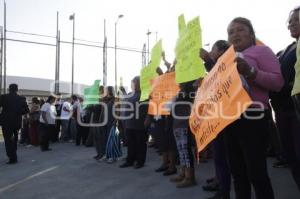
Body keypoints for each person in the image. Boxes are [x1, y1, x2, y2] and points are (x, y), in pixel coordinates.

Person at [225, 17, 284, 199]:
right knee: (238, 174)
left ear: (251, 34)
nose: (235, 34)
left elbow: (278, 82)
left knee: (256, 174)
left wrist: (250, 72)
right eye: (231, 32)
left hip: (253, 116)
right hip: (229, 118)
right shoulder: (225, 61)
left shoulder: (261, 51)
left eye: (240, 29)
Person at [270, 6, 300, 191]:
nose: (292, 24)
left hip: (295, 109)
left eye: (297, 19)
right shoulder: (287, 49)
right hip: (282, 109)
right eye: (290, 21)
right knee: (291, 156)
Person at [200, 40, 231, 199]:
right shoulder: (215, 65)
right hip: (215, 117)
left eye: (213, 49)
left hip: (224, 118)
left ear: (221, 52)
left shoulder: (227, 64)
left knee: (222, 155)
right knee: (219, 154)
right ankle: (220, 180)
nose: (210, 51)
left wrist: (207, 60)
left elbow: (220, 80)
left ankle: (223, 190)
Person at [119, 76, 148, 169]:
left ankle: (140, 162)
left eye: (134, 82)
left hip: (139, 123)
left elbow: (148, 108)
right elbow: (125, 100)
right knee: (131, 143)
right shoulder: (131, 93)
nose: (132, 84)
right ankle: (130, 160)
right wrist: (123, 92)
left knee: (140, 143)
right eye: (132, 82)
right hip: (129, 123)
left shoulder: (144, 94)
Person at [0, 83, 29, 164]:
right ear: (17, 90)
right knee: (15, 139)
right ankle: (13, 154)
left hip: (6, 122)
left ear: (9, 89)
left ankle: (12, 157)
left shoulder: (4, 97)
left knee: (8, 140)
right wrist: (19, 112)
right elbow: (27, 110)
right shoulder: (22, 98)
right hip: (16, 122)